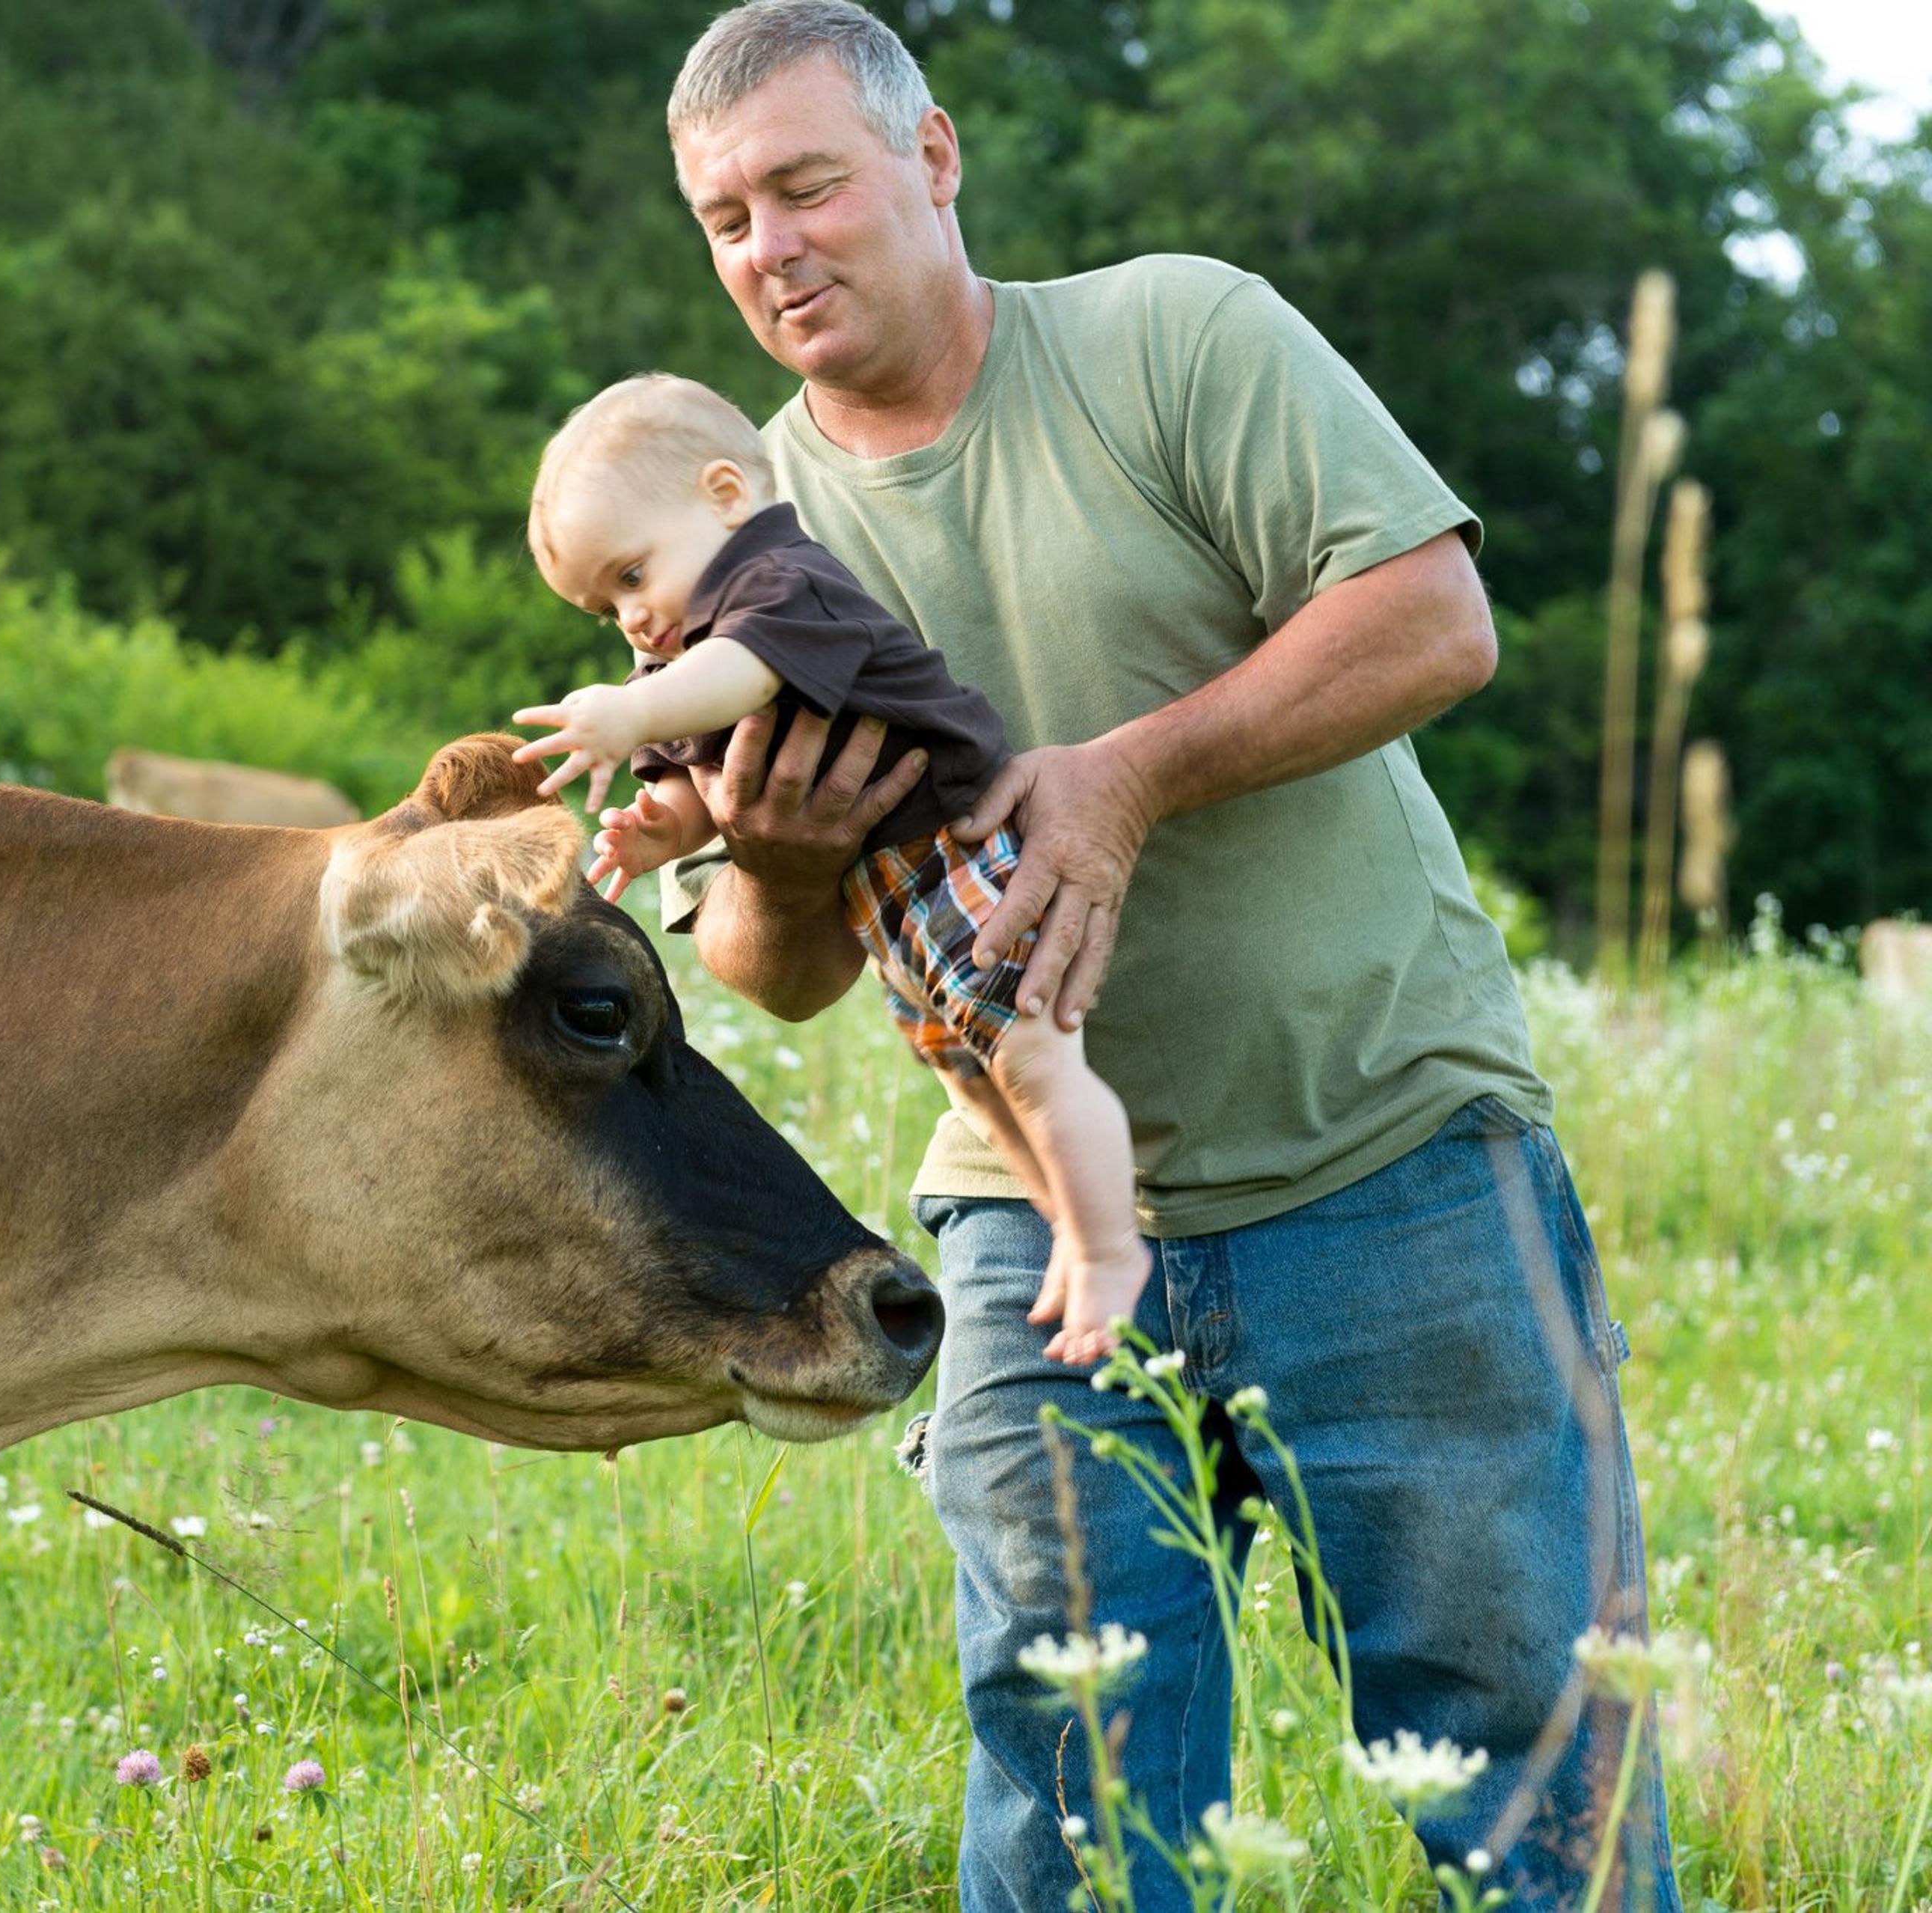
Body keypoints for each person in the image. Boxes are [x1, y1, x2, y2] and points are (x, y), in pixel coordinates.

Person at [651, 2, 1680, 1908]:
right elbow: (771, 968)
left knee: (1536, 1791)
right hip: (1025, 1221)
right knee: (1075, 1809)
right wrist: (783, 869)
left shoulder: (1169, 335)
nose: (770, 247)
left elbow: (1435, 620)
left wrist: (1125, 779)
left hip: (1388, 1168)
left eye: (807, 185)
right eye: (726, 219)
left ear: (935, 158)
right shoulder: (734, 524)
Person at [512, 372, 1146, 1364]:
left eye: (632, 576)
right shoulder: (676, 664)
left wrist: (635, 711)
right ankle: (1060, 1216)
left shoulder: (778, 584)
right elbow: (701, 788)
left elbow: (747, 675)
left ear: (726, 497)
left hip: (957, 849)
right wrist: (658, 827)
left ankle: (1110, 1251)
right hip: (886, 905)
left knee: (1030, 1056)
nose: (631, 621)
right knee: (975, 1084)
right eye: (605, 608)